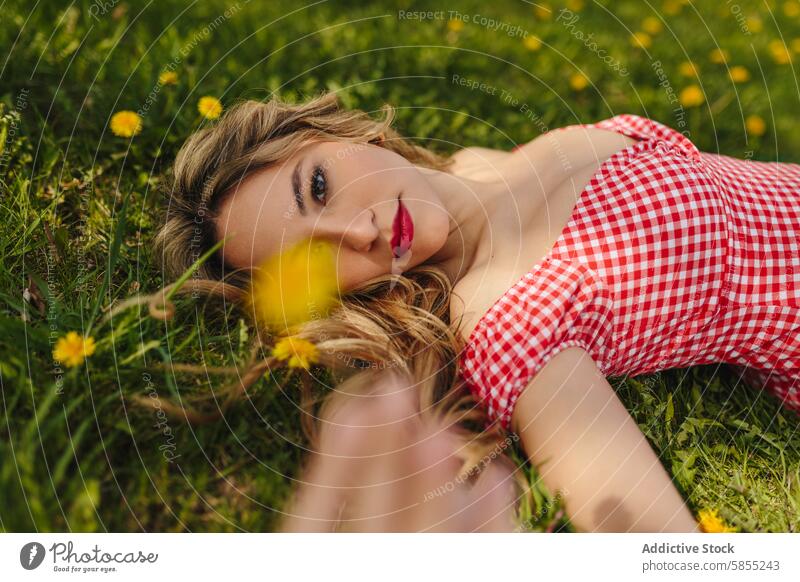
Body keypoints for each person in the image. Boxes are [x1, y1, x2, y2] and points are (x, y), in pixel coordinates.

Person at [155, 91, 798, 532]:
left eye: (318, 186)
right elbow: (645, 530)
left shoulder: (479, 164)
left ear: (343, 134)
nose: (357, 233)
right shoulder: (508, 318)